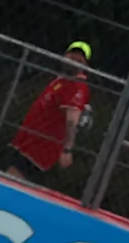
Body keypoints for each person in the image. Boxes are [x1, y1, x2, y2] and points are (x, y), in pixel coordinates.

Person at [12, 41, 98, 181]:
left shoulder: (76, 85)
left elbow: (72, 119)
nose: (74, 61)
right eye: (72, 56)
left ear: (85, 65)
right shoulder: (62, 81)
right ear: (65, 56)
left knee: (12, 180)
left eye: (79, 59)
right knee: (14, 181)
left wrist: (67, 149)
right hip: (30, 141)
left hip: (41, 147)